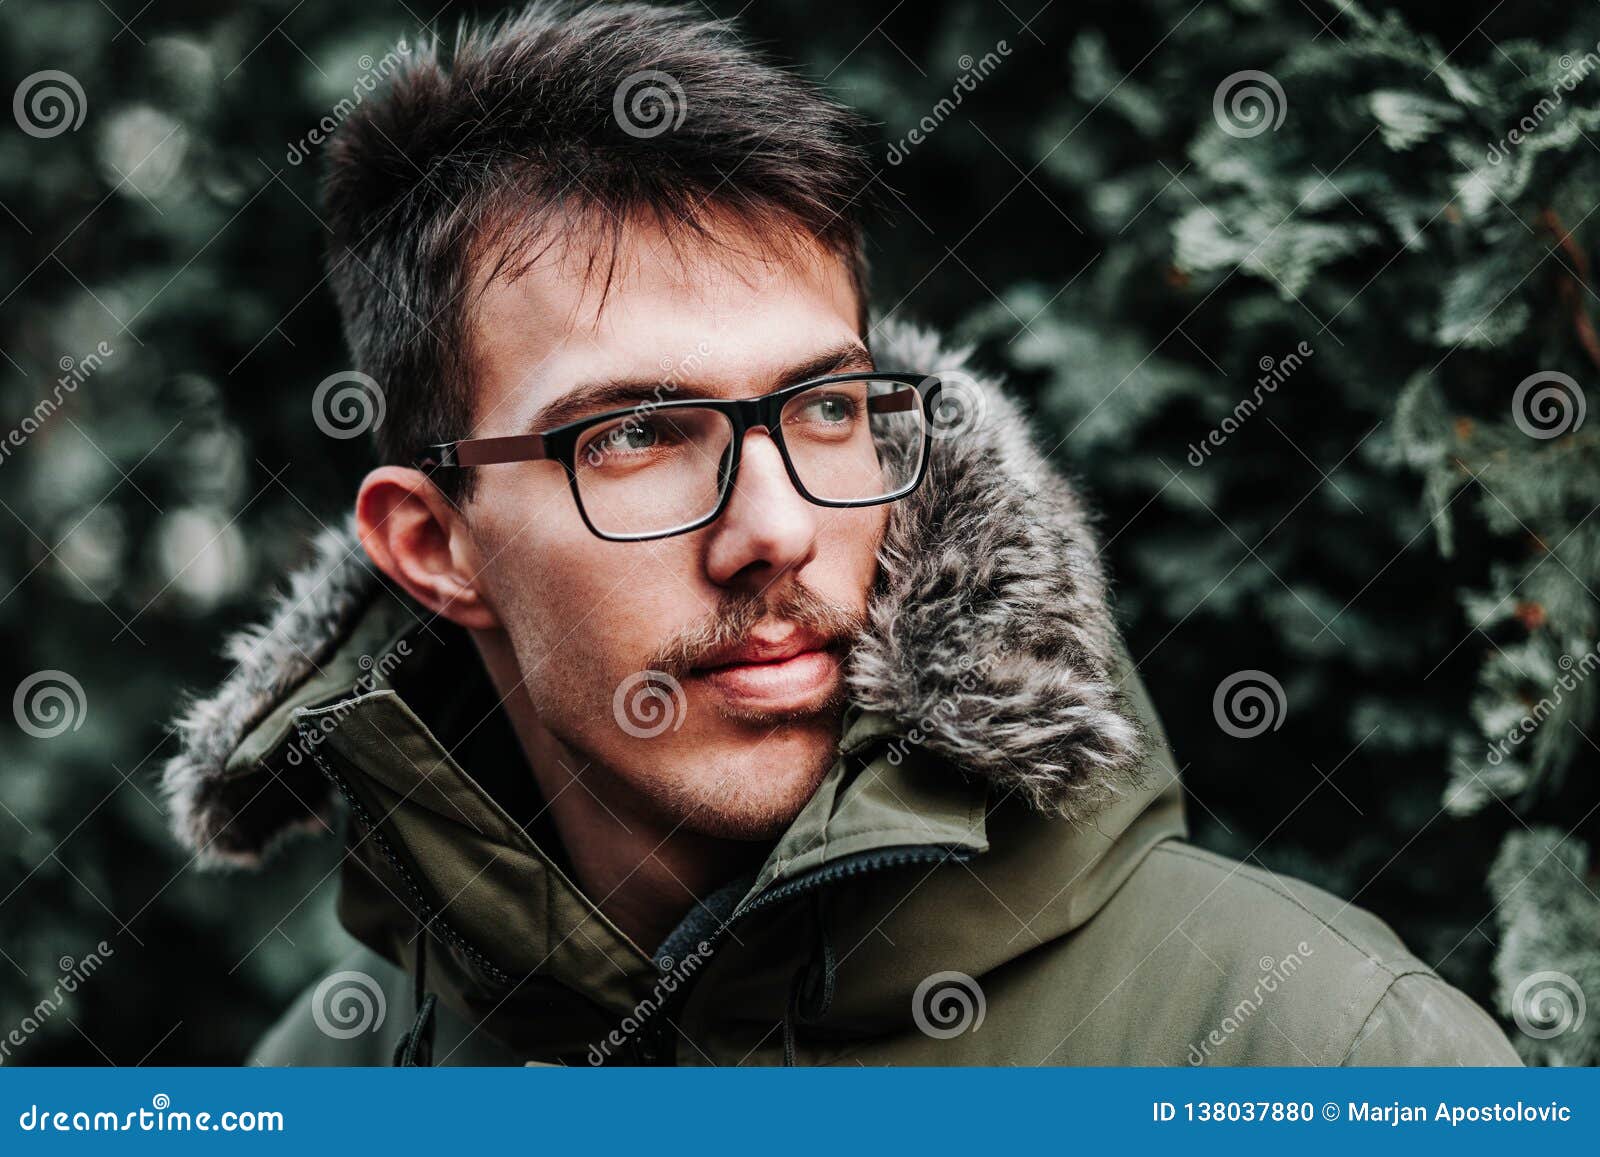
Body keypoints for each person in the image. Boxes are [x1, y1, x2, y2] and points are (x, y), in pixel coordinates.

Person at [162, 0, 1520, 1066]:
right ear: (433, 546)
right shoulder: (345, 1076)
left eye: (822, 407)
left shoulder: (1315, 1046)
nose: (778, 530)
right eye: (632, 433)